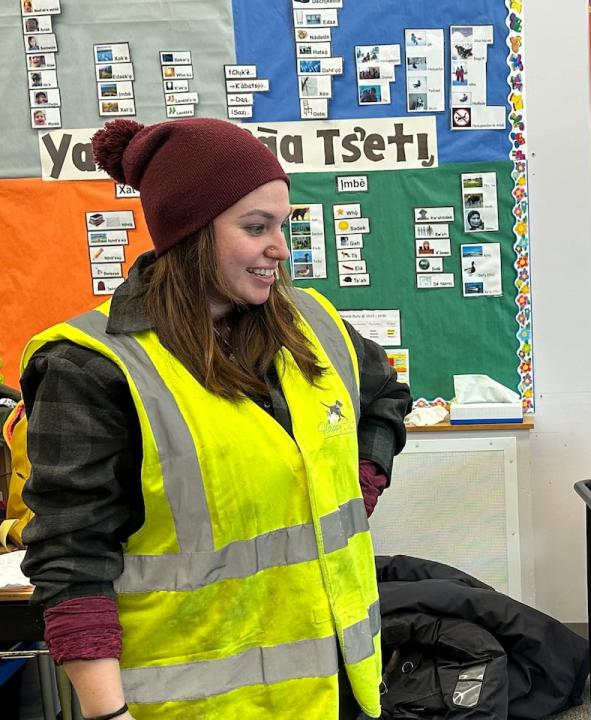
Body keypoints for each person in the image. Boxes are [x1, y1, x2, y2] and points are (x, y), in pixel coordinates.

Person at [19, 117, 412, 720]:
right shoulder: (91, 367)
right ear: (190, 233)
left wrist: (364, 475)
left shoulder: (310, 322)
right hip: (196, 703)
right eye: (256, 228)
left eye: (283, 225)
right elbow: (72, 560)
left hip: (338, 686)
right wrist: (105, 714)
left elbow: (384, 396)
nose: (280, 247)